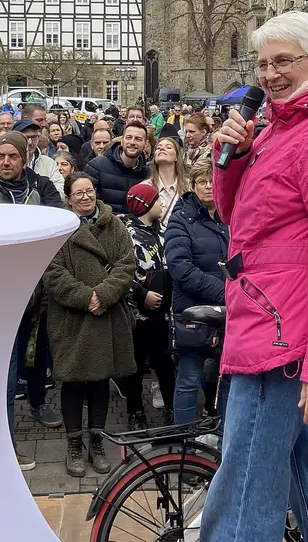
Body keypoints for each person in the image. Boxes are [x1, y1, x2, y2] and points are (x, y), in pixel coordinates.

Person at [200, 12, 308, 541]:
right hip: (275, 326)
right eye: (262, 64)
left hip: (282, 343)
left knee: (244, 492)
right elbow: (240, 221)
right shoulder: (282, 126)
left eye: (283, 61)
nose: (270, 74)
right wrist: (230, 157)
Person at [0, 130, 65, 468]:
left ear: (24, 158)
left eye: (13, 156)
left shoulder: (36, 189)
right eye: (1, 155)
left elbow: (59, 225)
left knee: (28, 365)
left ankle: (7, 436)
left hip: (32, 299)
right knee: (5, 378)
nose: (6, 162)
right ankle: (4, 450)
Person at [43, 172, 136, 477]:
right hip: (73, 318)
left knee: (99, 379)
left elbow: (127, 264)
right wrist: (87, 297)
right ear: (68, 198)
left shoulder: (115, 226)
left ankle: (96, 440)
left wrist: (104, 295)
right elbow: (52, 272)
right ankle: (74, 444)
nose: (85, 197)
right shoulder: (59, 231)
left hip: (107, 314)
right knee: (72, 381)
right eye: (78, 193)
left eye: (89, 191)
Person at [163, 159, 229, 425]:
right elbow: (180, 268)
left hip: (227, 313)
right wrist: (225, 292)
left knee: (227, 378)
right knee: (189, 378)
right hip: (193, 311)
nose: (208, 186)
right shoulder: (180, 220)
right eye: (202, 181)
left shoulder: (229, 217)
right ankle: (184, 441)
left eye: (213, 181)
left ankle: (227, 437)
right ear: (192, 185)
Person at [119, 182, 176, 429]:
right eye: (157, 200)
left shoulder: (163, 232)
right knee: (135, 364)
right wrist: (142, 293)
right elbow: (121, 270)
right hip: (137, 315)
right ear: (145, 205)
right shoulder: (126, 234)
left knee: (165, 363)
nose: (162, 204)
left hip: (163, 315)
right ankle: (135, 412)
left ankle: (173, 409)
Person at [84, 119, 152, 214]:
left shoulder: (147, 174)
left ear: (145, 144)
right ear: (122, 141)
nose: (132, 142)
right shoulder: (96, 166)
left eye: (138, 139)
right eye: (128, 137)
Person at [17, 119, 67, 198]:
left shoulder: (49, 163)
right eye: (25, 137)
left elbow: (61, 192)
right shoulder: (1, 163)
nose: (30, 142)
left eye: (33, 137)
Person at [150, 135, 190, 221]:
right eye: (158, 148)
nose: (162, 149)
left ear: (176, 157)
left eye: (168, 147)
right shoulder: (146, 187)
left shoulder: (189, 186)